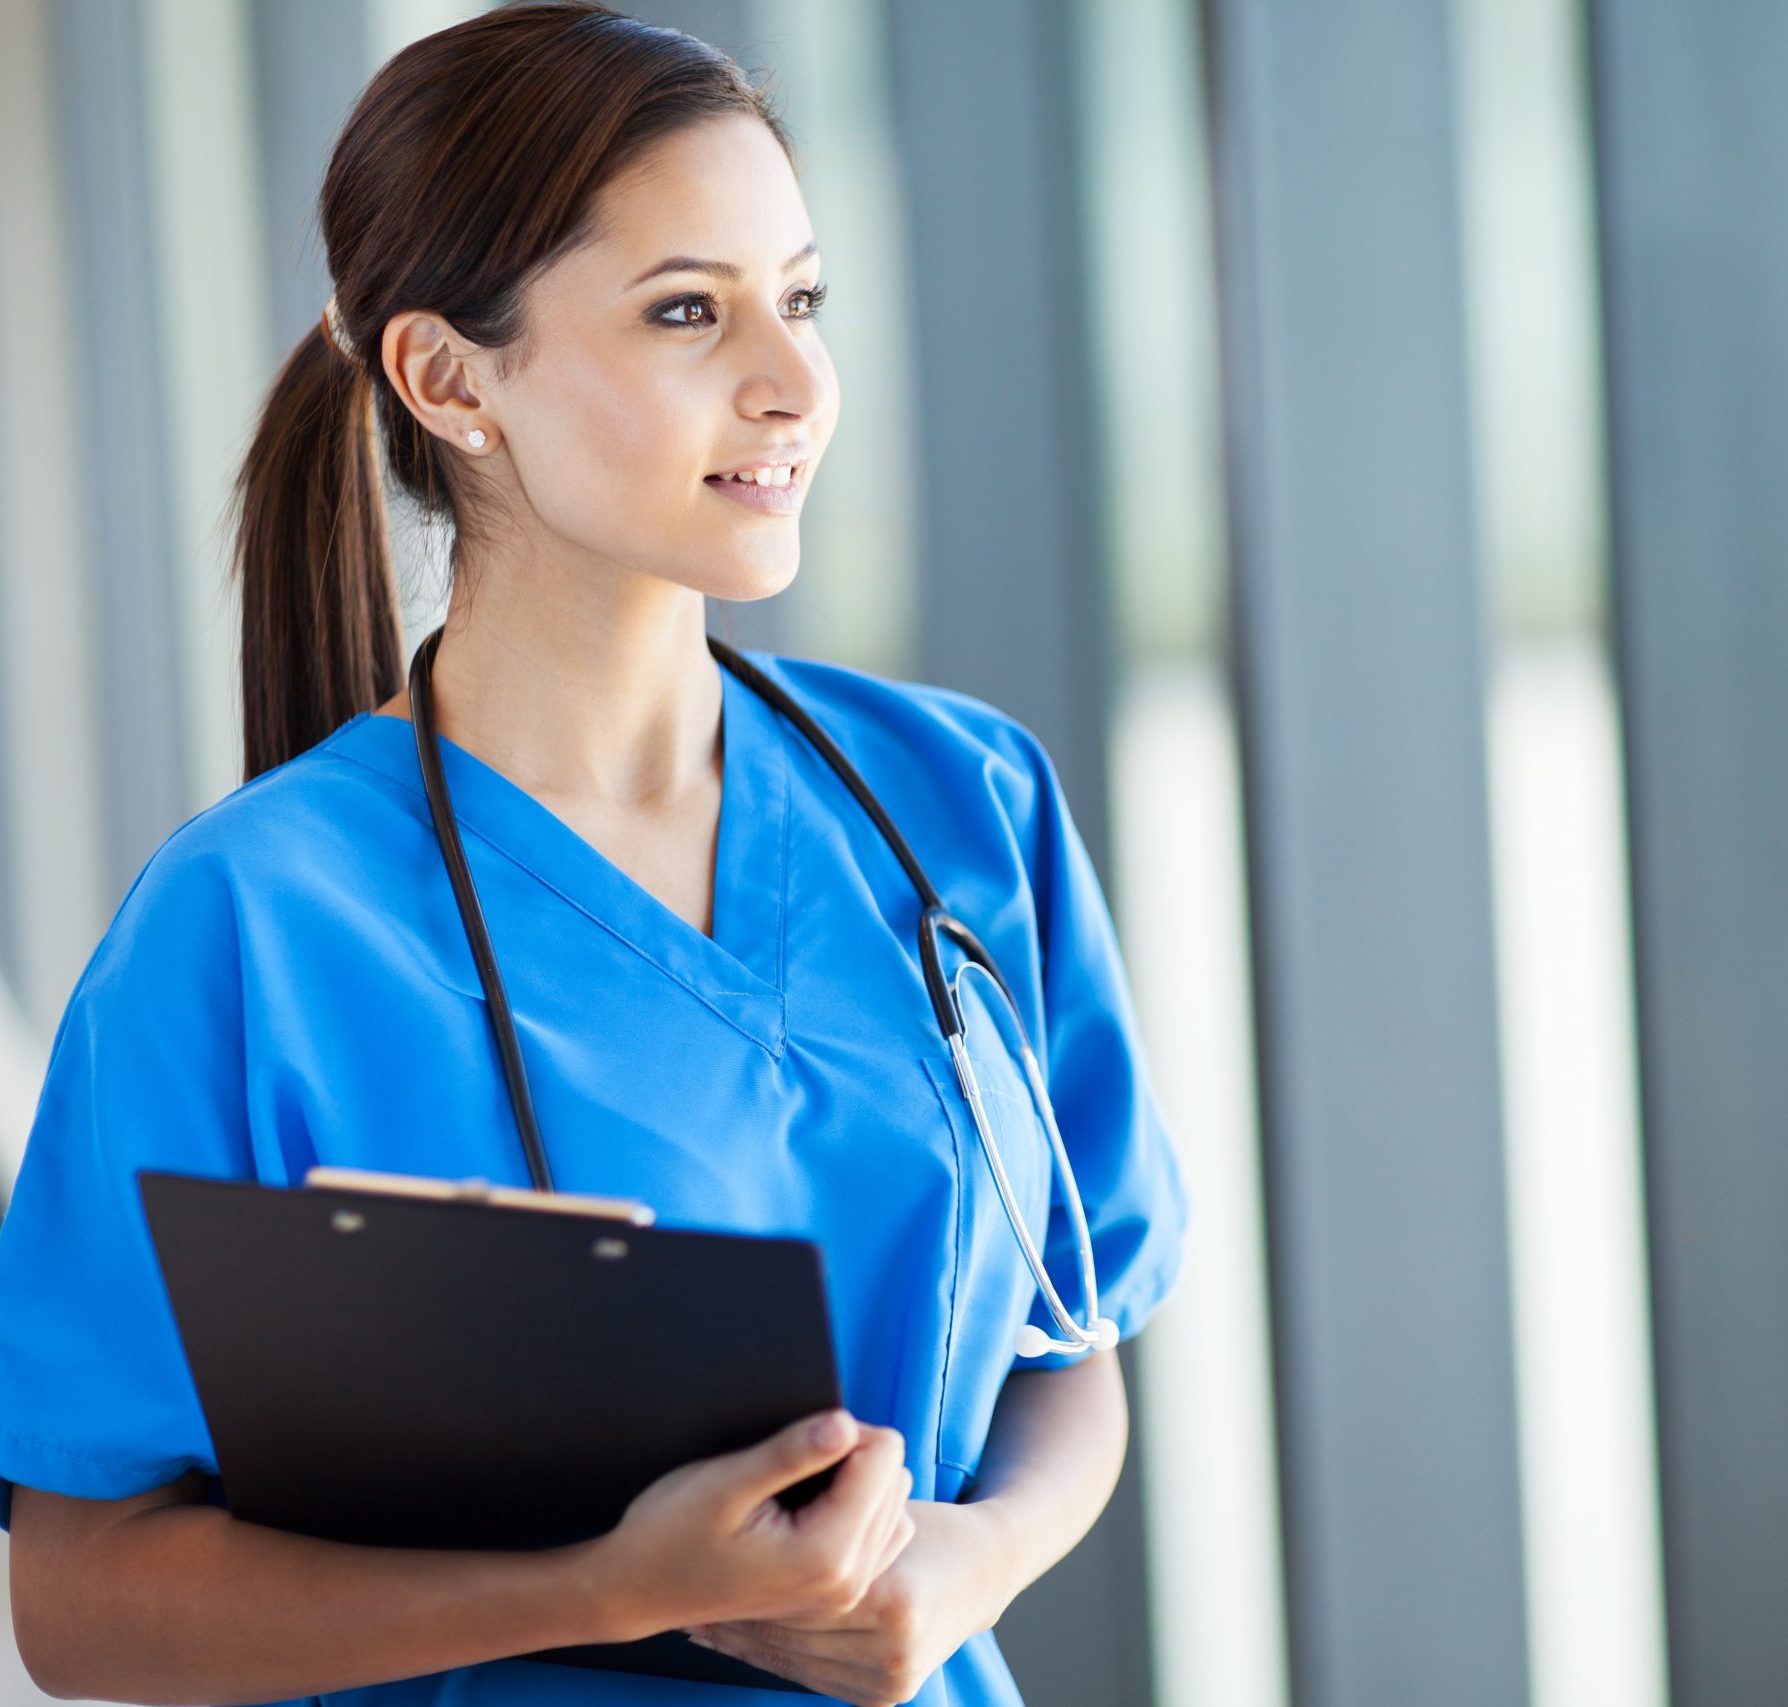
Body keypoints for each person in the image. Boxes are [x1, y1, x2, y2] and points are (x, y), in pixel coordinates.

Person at [0, 5, 1190, 1704]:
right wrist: (598, 1590)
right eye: (687, 311)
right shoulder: (251, 927)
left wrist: (963, 1565)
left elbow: (1072, 1341)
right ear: (447, 377)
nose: (790, 383)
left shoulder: (958, 802)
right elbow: (84, 1599)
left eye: (803, 298)